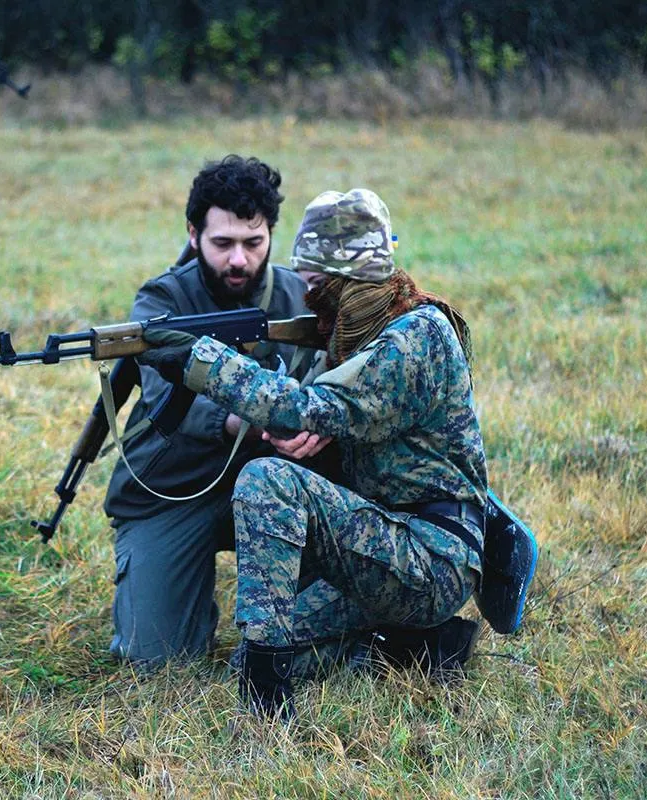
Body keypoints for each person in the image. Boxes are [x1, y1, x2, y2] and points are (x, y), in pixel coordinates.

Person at [137, 188, 487, 719]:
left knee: (267, 481)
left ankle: (266, 702)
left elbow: (304, 409)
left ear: (337, 279)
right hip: (381, 542)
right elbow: (329, 409)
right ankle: (418, 645)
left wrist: (202, 362)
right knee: (254, 654)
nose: (305, 294)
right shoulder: (362, 331)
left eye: (314, 283)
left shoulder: (415, 337)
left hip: (429, 558)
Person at [103, 155, 327, 667]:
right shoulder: (162, 300)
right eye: (222, 243)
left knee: (325, 642)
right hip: (174, 490)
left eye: (254, 242)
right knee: (156, 661)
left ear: (271, 234)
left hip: (281, 487)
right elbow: (165, 399)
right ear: (193, 234)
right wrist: (250, 416)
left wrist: (320, 424)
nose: (239, 260)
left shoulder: (303, 298)